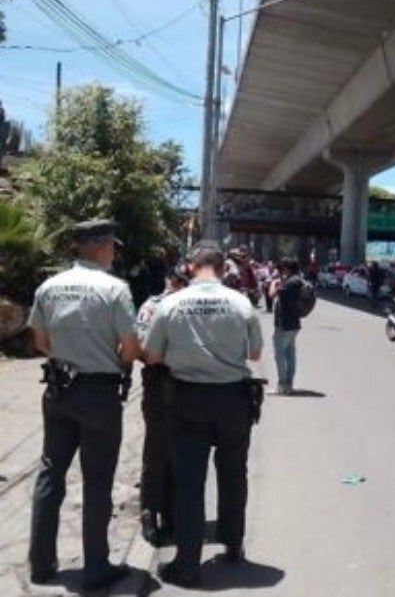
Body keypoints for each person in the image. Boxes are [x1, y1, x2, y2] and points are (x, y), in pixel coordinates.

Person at [27, 219, 140, 591]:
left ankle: (41, 565)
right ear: (102, 247)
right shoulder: (114, 289)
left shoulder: (49, 286)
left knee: (50, 473)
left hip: (58, 390)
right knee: (97, 480)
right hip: (99, 394)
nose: (113, 253)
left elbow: (40, 343)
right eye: (112, 246)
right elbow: (131, 349)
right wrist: (113, 363)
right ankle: (95, 567)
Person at [143, 241, 263, 588]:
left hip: (187, 400)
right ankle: (233, 543)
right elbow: (255, 354)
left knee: (189, 482)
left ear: (192, 268)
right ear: (223, 269)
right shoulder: (241, 303)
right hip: (233, 400)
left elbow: (151, 356)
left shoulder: (171, 304)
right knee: (233, 474)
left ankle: (187, 563)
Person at [136, 263, 191, 546]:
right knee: (159, 452)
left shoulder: (153, 305)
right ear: (170, 280)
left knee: (169, 452)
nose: (181, 285)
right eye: (180, 279)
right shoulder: (162, 306)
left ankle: (166, 512)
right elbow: (143, 348)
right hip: (165, 382)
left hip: (168, 383)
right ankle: (150, 513)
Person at [269, 258, 304, 394]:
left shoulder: (291, 283)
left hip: (284, 324)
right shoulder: (298, 280)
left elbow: (271, 294)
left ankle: (282, 385)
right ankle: (289, 384)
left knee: (280, 355)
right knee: (290, 355)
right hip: (293, 324)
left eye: (282, 269)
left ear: (287, 269)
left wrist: (274, 283)